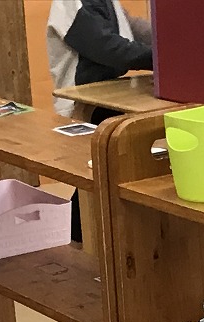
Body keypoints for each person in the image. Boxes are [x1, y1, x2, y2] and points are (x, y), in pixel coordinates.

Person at [47, 0, 153, 242]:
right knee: (95, 173)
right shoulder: (71, 4)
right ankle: (79, 236)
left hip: (108, 96)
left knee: (111, 168)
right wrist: (163, 55)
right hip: (82, 102)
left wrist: (171, 41)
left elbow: (134, 28)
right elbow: (109, 48)